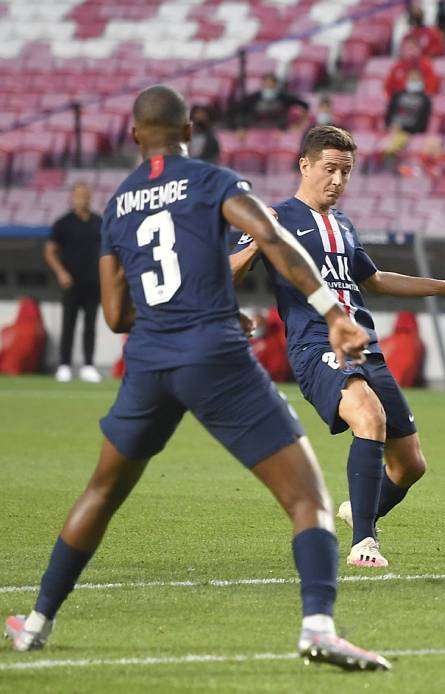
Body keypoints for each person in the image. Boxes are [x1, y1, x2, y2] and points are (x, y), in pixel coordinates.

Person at [4, 86, 389, 670]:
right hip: (214, 357)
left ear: (134, 135)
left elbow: (115, 316)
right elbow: (272, 238)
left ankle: (34, 625)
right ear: (189, 128)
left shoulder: (117, 205)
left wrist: (188, 308)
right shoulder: (212, 181)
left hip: (150, 362)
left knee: (102, 492)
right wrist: (334, 312)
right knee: (308, 497)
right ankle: (318, 627)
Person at [229, 125, 445, 569]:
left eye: (346, 173)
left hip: (365, 348)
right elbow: (226, 272)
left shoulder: (343, 225)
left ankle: (358, 510)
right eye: (330, 169)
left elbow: (375, 279)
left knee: (410, 466)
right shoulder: (276, 217)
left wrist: (444, 286)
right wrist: (257, 243)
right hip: (315, 345)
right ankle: (363, 543)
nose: (338, 181)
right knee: (368, 416)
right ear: (304, 165)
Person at [45, 182, 102, 384]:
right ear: (72, 197)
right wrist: (61, 273)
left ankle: (88, 365)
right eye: (79, 195)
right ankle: (64, 365)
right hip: (71, 283)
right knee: (68, 324)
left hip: (93, 282)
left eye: (86, 195)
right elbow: (50, 251)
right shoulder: (63, 223)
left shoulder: (98, 222)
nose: (82, 199)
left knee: (90, 325)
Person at [236, 74, 308, 129]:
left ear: (275, 84)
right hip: (256, 128)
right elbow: (240, 110)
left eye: (271, 83)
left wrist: (299, 124)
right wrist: (241, 127)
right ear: (263, 83)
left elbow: (304, 105)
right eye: (266, 83)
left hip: (279, 129)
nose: (268, 85)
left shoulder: (283, 96)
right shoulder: (254, 97)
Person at [385, 68, 433, 135]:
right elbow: (389, 114)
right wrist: (390, 126)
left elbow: (423, 122)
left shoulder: (425, 99)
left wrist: (404, 129)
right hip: (393, 129)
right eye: (412, 80)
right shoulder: (397, 95)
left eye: (416, 80)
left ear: (422, 81)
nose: (414, 82)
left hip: (412, 133)